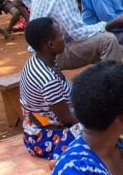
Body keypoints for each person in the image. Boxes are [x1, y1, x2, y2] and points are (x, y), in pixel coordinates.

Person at [19, 17, 81, 160]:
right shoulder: (48, 79)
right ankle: (60, 160)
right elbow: (67, 119)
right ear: (51, 44)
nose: (63, 38)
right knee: (103, 132)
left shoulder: (38, 60)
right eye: (60, 35)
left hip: (35, 129)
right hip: (46, 137)